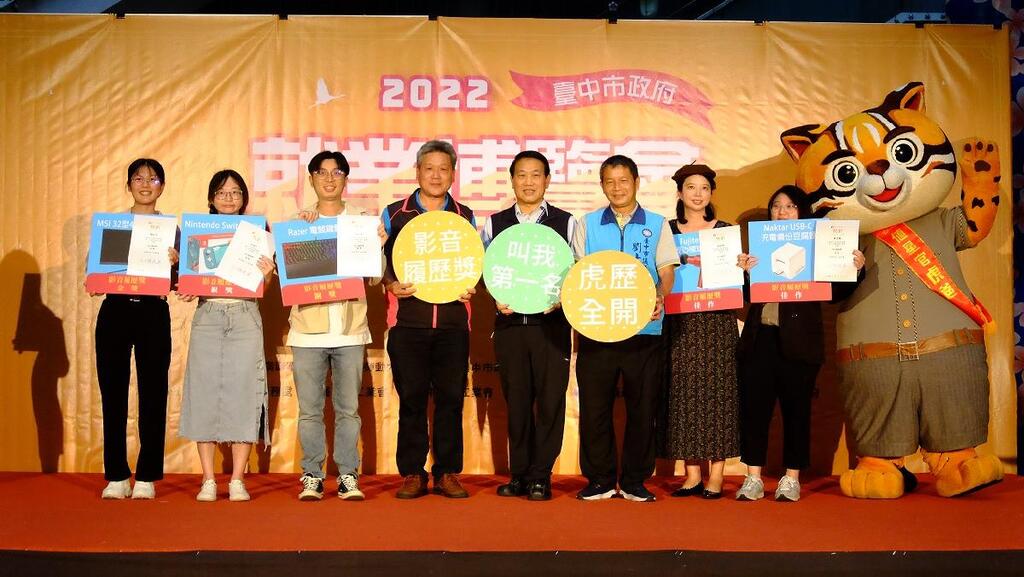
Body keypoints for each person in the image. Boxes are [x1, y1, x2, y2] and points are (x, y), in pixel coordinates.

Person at [734, 185, 865, 501]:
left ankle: (791, 477)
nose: (782, 212)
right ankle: (753, 477)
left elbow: (834, 294)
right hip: (760, 340)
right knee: (754, 412)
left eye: (790, 206)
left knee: (797, 412)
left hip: (800, 342)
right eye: (776, 206)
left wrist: (855, 269)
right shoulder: (758, 248)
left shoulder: (816, 247)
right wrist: (745, 274)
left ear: (802, 212)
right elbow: (745, 297)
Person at [571, 154, 677, 502]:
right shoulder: (587, 224)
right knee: (595, 408)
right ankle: (600, 480)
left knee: (642, 408)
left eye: (624, 181)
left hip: (643, 331)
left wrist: (660, 296)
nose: (617, 188)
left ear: (636, 183)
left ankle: (634, 481)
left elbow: (666, 270)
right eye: (610, 182)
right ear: (602, 185)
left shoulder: (657, 224)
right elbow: (577, 272)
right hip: (596, 329)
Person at [382, 140, 477, 499]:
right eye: (429, 168)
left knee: (451, 399)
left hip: (453, 324)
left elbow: (475, 264)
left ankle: (447, 471)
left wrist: (472, 285)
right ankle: (412, 472)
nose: (436, 176)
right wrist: (390, 283)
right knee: (412, 399)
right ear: (418, 171)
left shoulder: (465, 216)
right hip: (408, 323)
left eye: (443, 169)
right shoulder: (394, 214)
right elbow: (375, 262)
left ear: (453, 174)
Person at [481, 151, 576, 501]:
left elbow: (579, 270)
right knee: (517, 402)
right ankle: (519, 474)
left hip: (551, 326)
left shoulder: (567, 223)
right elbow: (483, 271)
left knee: (550, 403)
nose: (529, 182)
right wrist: (494, 296)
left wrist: (565, 296)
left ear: (547, 180)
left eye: (536, 175)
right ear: (512, 180)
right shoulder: (495, 223)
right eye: (521, 175)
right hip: (510, 327)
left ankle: (541, 476)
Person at [290, 150, 383, 501]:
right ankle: (312, 475)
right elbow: (288, 278)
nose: (329, 179)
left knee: (348, 410)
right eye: (322, 172)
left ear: (345, 178)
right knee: (309, 411)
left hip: (350, 328)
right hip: (306, 329)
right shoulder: (297, 222)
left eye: (336, 172)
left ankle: (347, 475)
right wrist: (299, 235)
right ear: (311, 178)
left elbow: (375, 278)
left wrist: (378, 247)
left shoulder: (363, 222)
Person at [178, 170, 274, 502]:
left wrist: (267, 274)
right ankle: (208, 479)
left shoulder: (257, 232)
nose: (229, 198)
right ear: (211, 198)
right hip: (208, 314)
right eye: (222, 192)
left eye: (235, 192)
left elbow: (265, 286)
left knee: (245, 393)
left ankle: (237, 480)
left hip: (245, 314)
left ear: (244, 198)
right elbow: (188, 278)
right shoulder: (197, 232)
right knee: (203, 392)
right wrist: (186, 284)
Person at [94, 158, 176, 500]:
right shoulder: (112, 226)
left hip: (153, 313)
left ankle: (146, 476)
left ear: (162, 187)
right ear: (128, 185)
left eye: (153, 179)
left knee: (154, 394)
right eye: (138, 179)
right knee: (113, 395)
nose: (145, 184)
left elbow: (180, 282)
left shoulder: (170, 230)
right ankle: (116, 475)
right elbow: (99, 271)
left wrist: (176, 265)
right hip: (114, 311)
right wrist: (96, 276)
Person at [661, 163, 740, 500]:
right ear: (680, 193)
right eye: (690, 187)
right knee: (684, 394)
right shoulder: (666, 231)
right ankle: (692, 474)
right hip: (680, 322)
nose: (697, 194)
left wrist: (742, 267)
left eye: (704, 188)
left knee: (719, 393)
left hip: (717, 321)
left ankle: (717, 474)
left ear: (711, 193)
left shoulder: (725, 231)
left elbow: (738, 283)